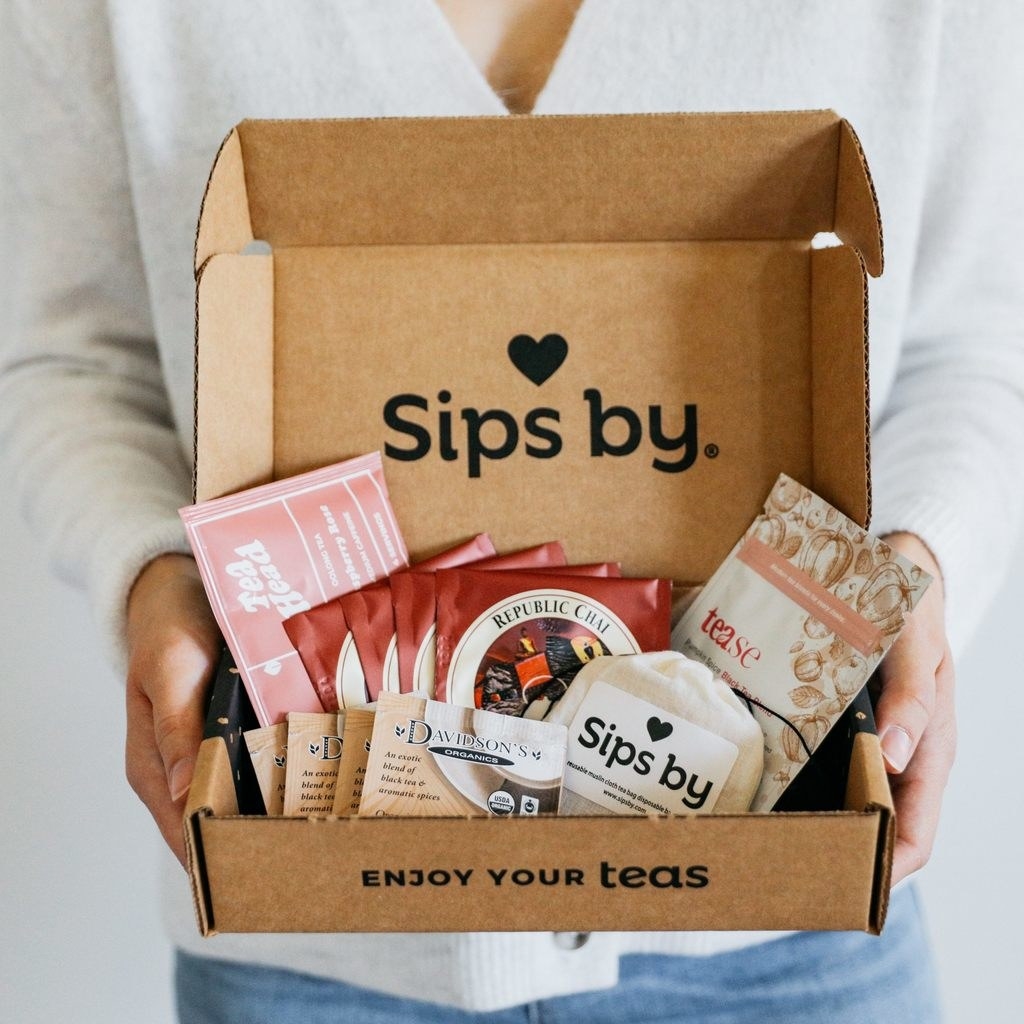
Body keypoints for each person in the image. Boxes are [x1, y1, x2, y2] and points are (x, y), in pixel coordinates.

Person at [3, 1, 1022, 1021]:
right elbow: (73, 361)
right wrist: (149, 573)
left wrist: (915, 566)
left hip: (789, 936)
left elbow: (972, 346)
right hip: (311, 942)